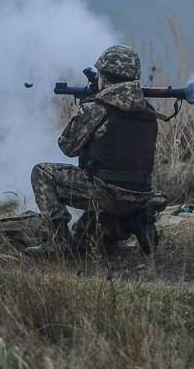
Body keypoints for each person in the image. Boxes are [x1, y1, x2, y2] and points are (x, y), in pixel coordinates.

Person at [26, 45, 168, 256]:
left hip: (107, 194)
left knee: (42, 173)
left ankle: (58, 243)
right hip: (140, 196)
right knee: (83, 240)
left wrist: (83, 111)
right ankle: (136, 223)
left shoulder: (98, 109)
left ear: (105, 79)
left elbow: (67, 147)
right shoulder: (148, 111)